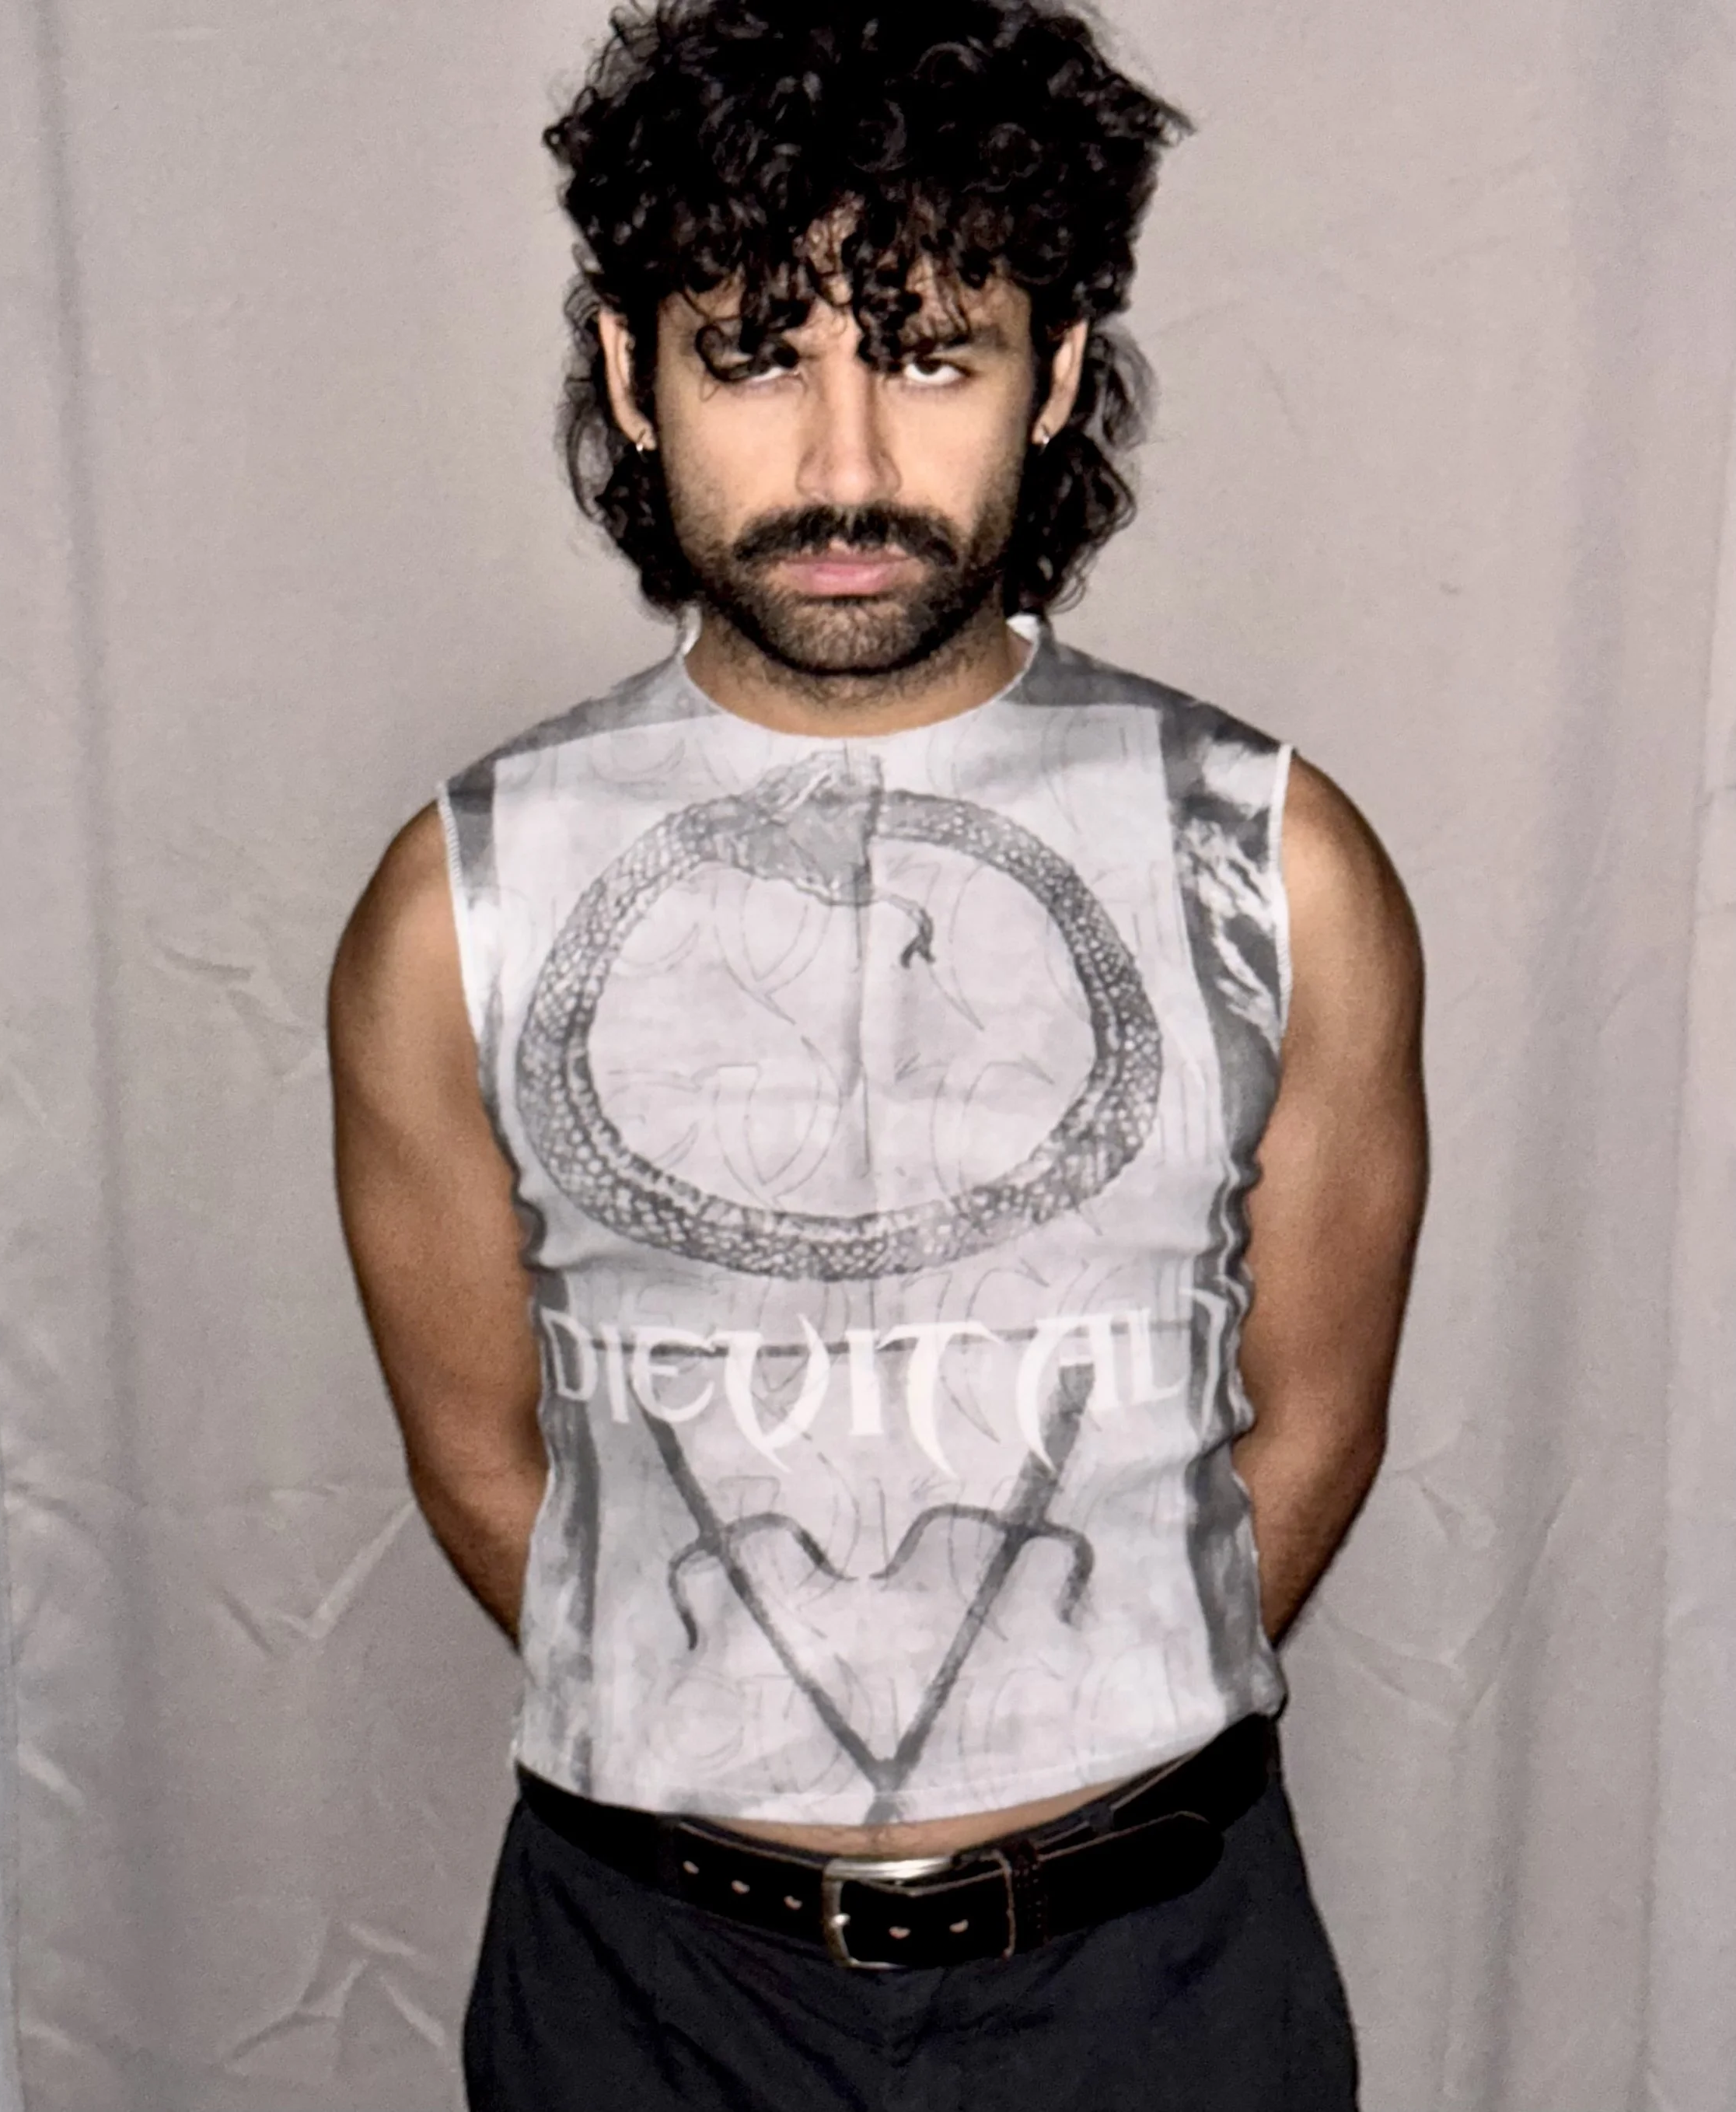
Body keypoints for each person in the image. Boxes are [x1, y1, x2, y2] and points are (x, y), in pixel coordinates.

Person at [328, 2, 1427, 2104]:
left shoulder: (1269, 860)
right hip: (643, 1990)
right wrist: (748, 1758)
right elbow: (481, 1457)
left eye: (928, 352)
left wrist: (1049, 1754)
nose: (843, 464)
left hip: (1153, 1985)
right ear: (631, 378)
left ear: (1060, 376)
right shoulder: (456, 896)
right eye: (756, 354)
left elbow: (1315, 1423)